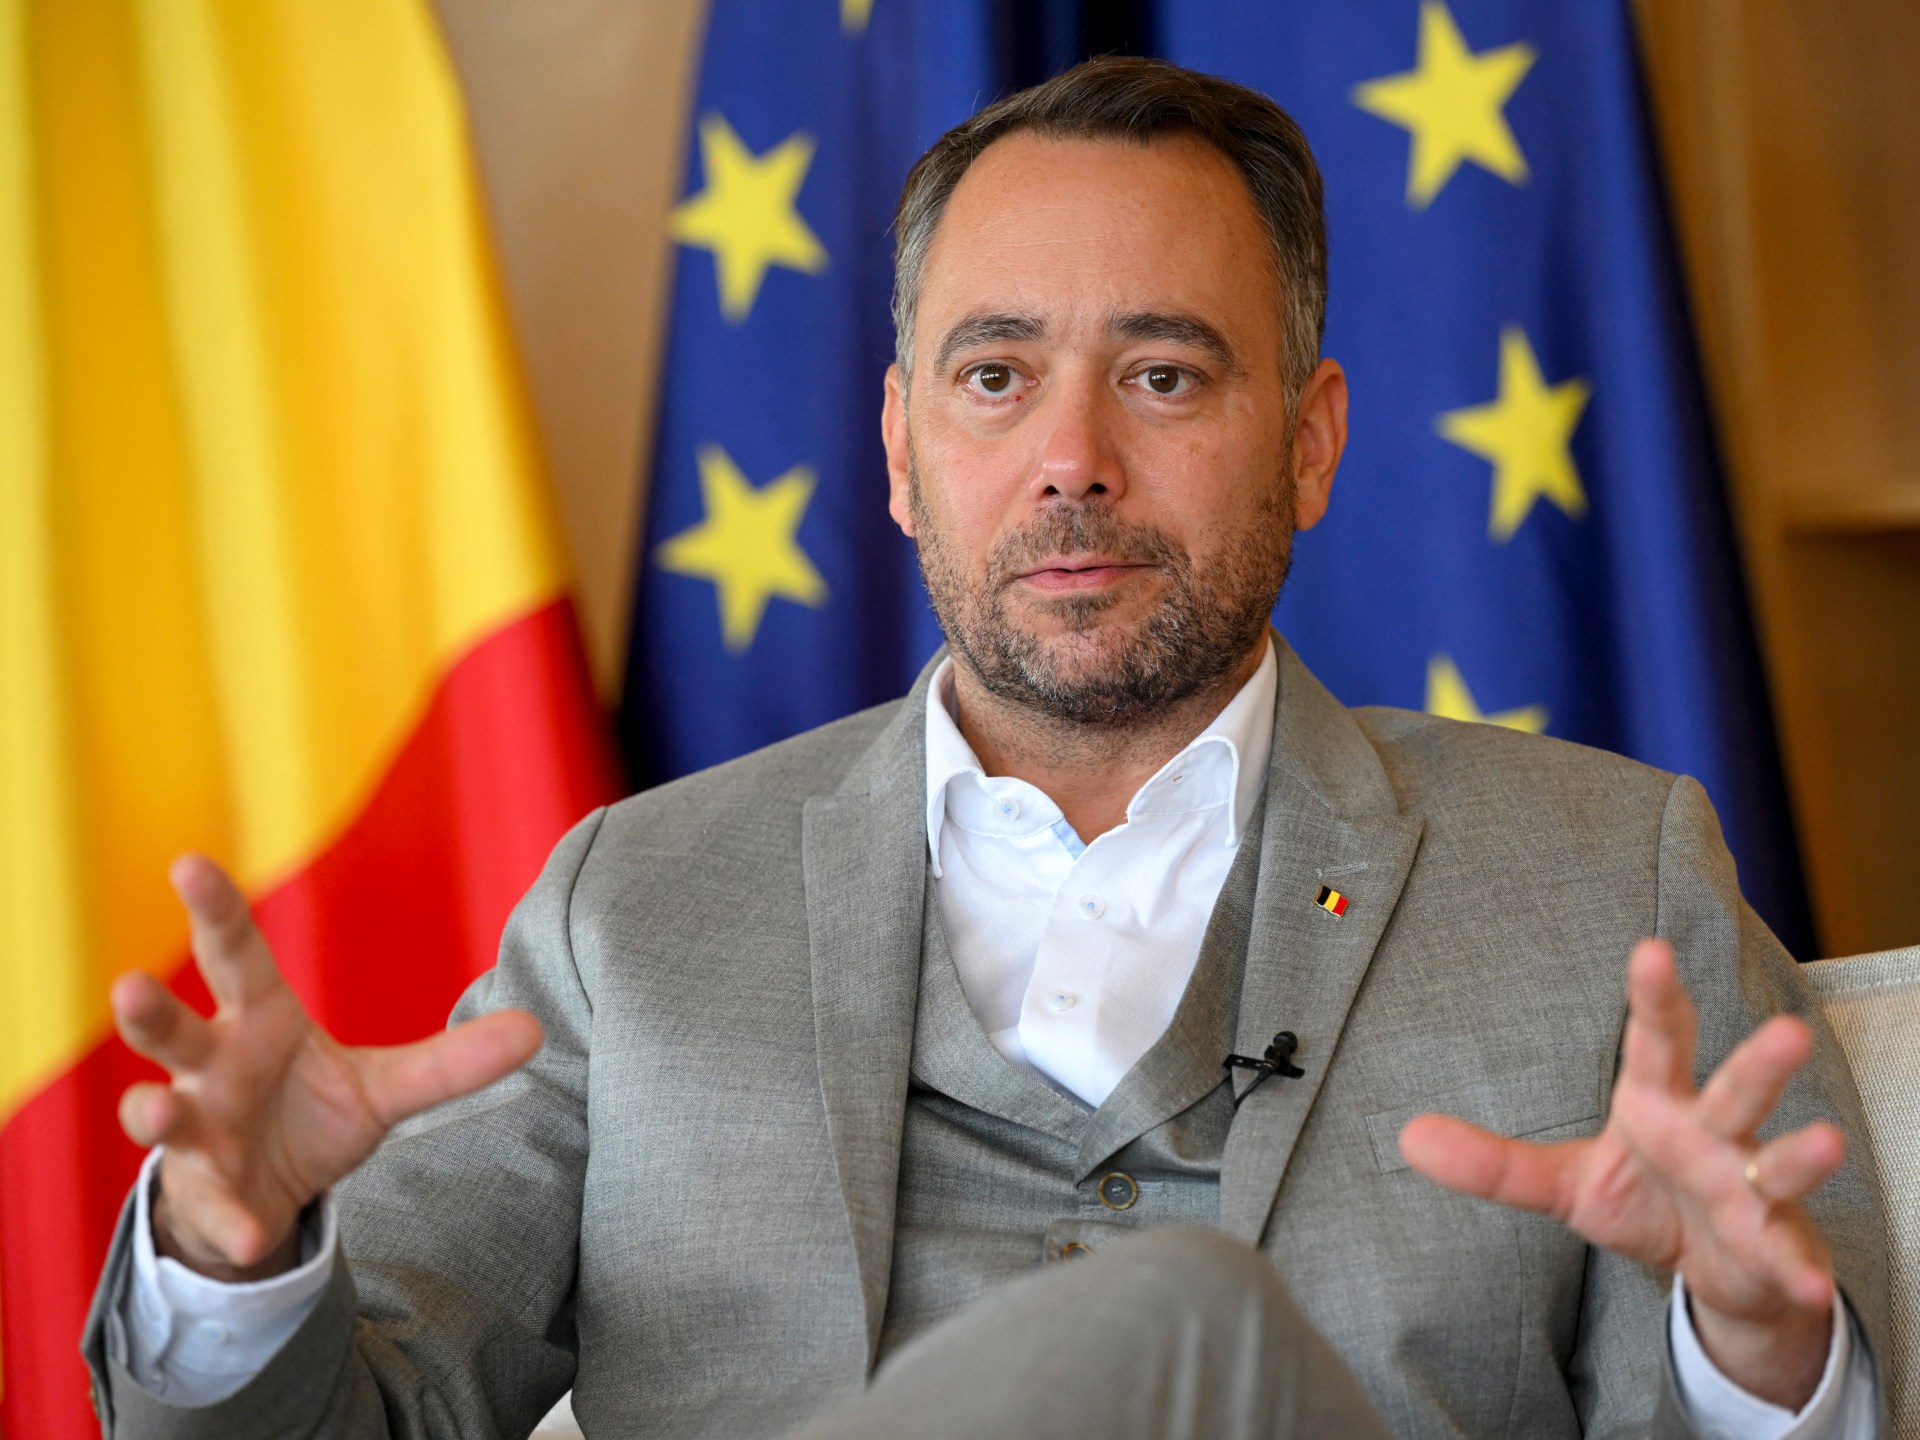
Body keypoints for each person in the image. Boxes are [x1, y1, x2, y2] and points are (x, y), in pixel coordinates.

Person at [84, 57, 1887, 1439]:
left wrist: (1754, 1349)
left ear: (1311, 443)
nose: (1071, 459)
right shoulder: (637, 906)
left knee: (1187, 1321)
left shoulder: (1609, 882)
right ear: (898, 448)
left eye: (1164, 375)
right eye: (996, 375)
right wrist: (233, 1256)